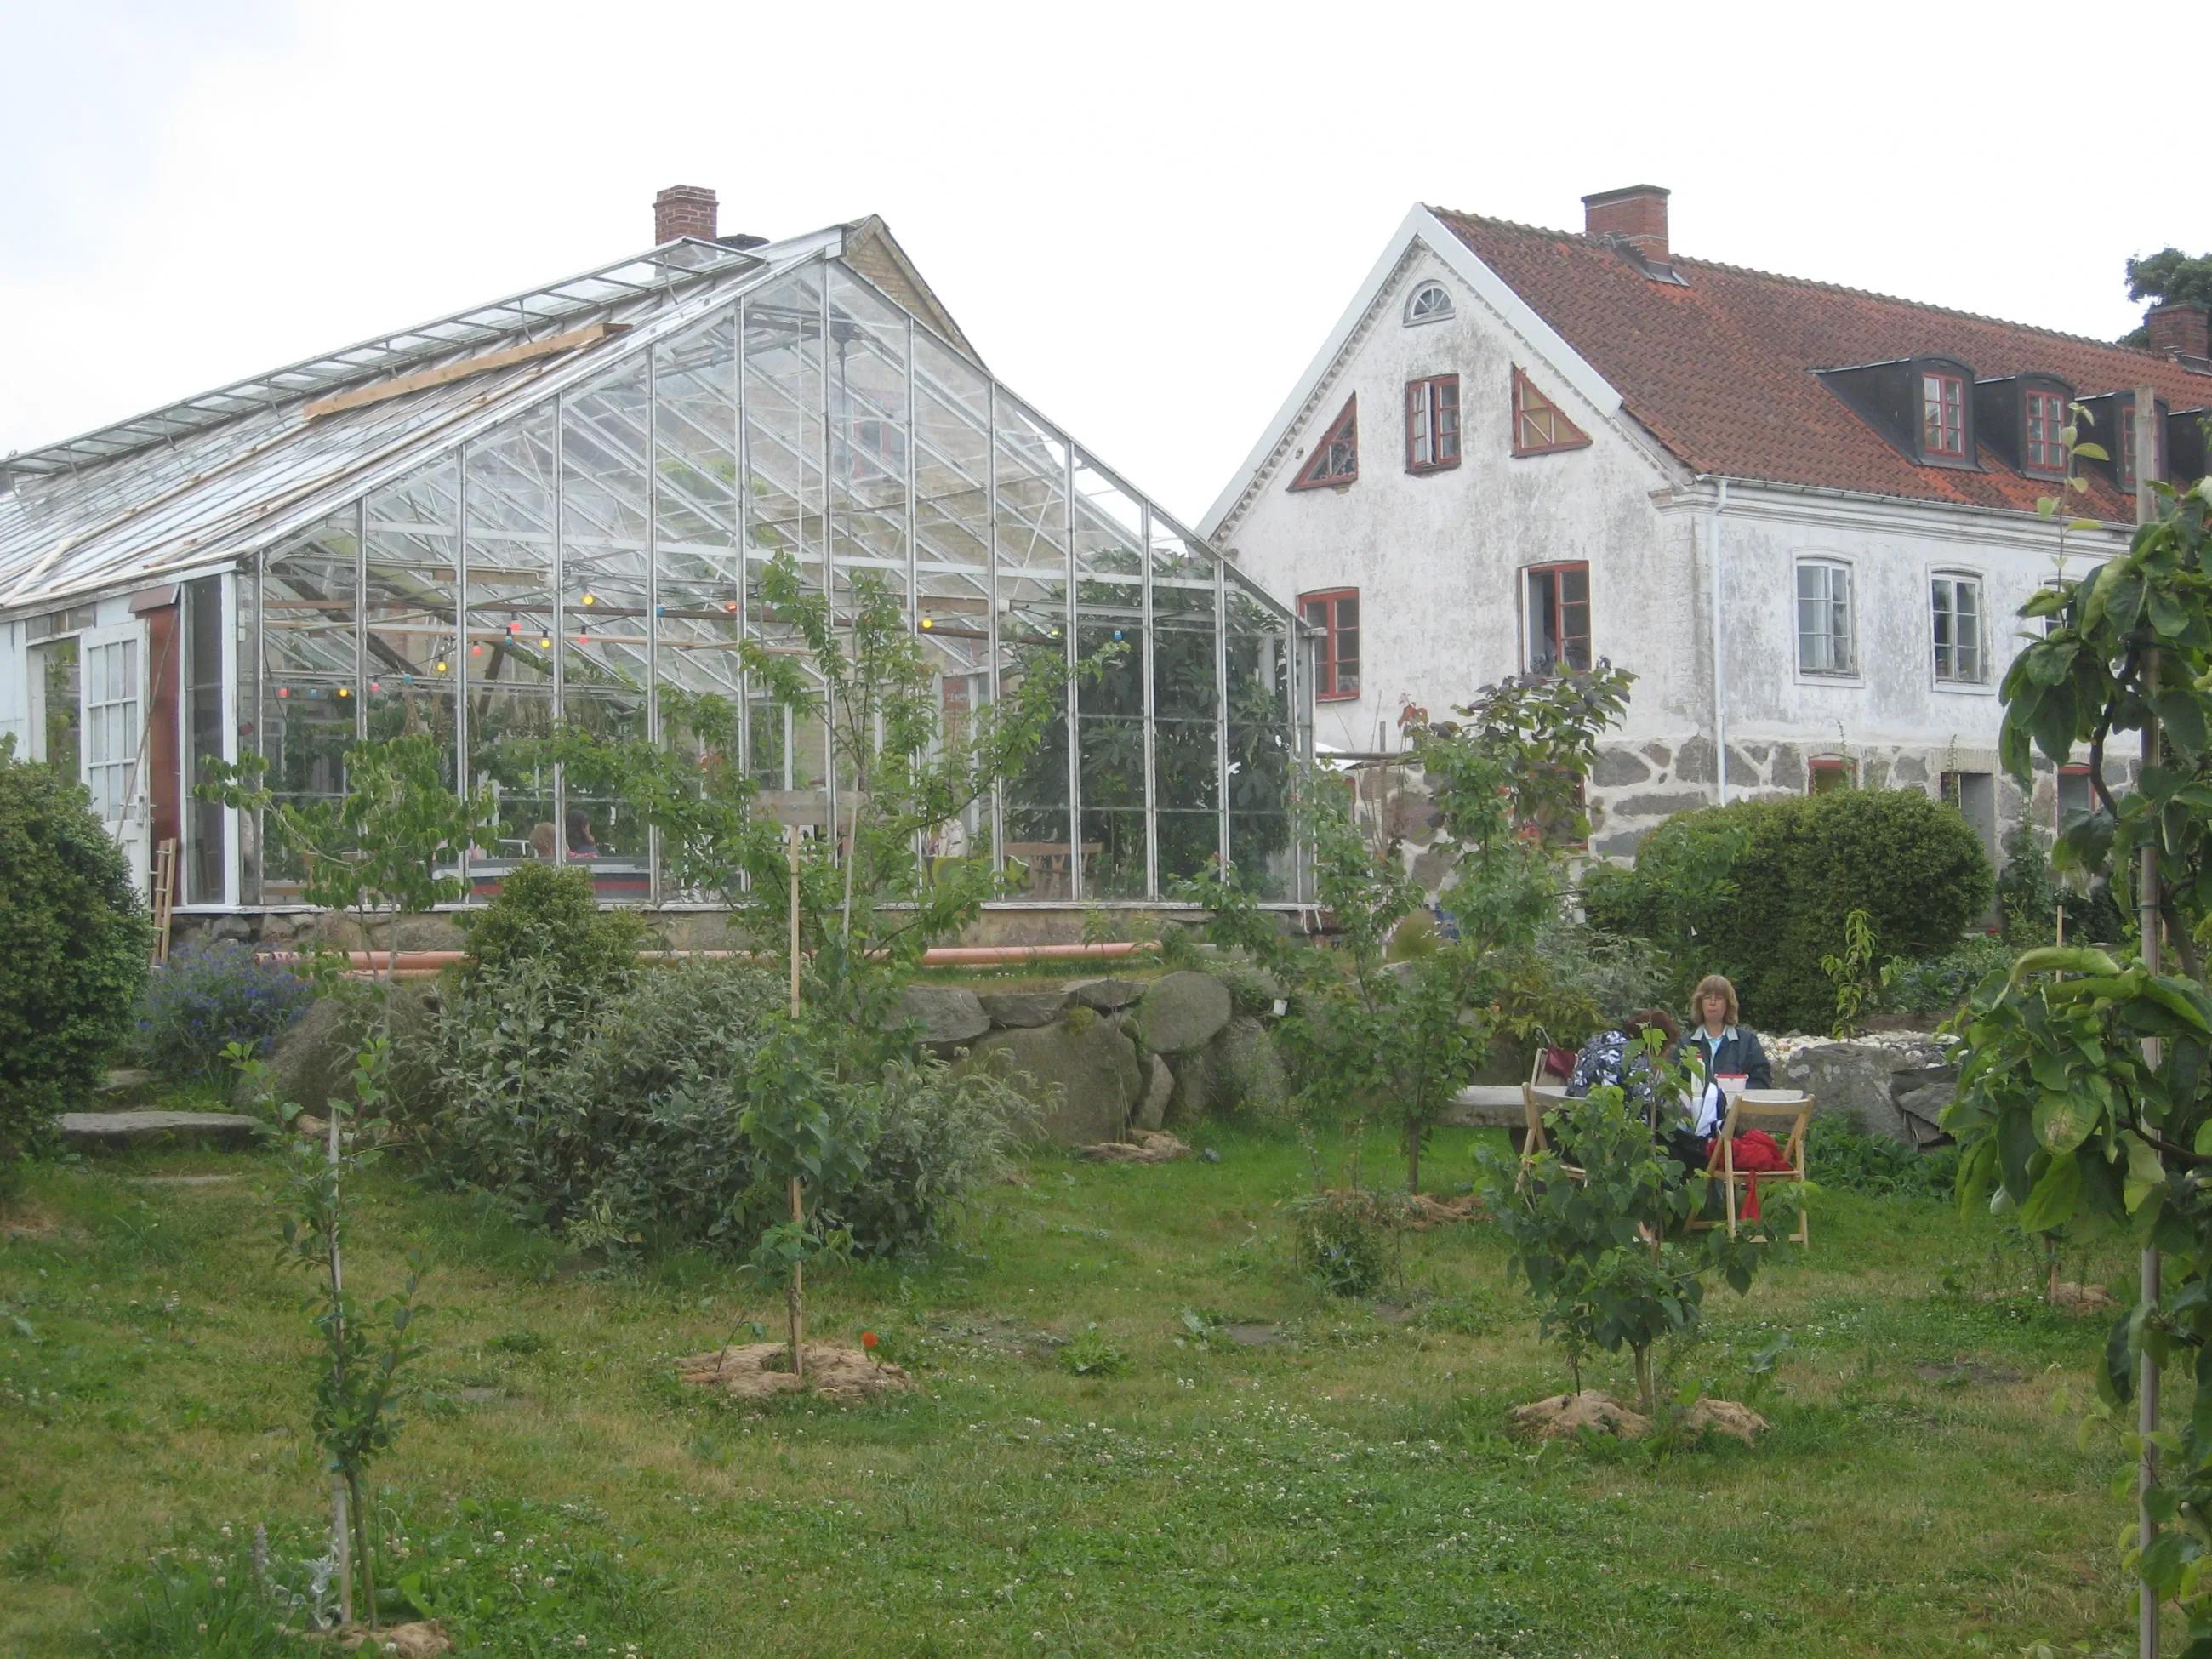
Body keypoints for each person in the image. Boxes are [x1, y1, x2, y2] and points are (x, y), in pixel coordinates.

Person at [1682, 973, 1771, 1142]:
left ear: (1729, 1005)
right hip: (1692, 1129)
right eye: (1707, 997)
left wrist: (1735, 1098)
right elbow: (1677, 1083)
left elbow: (1762, 1080)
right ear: (1699, 1003)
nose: (1713, 1002)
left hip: (1737, 1129)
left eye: (1719, 998)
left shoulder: (1747, 1042)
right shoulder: (1686, 1043)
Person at [1564, 1008, 1683, 1122]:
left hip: (1573, 1117)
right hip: (1606, 1128)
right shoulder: (1636, 1059)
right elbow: (1648, 1103)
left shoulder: (1604, 1038)